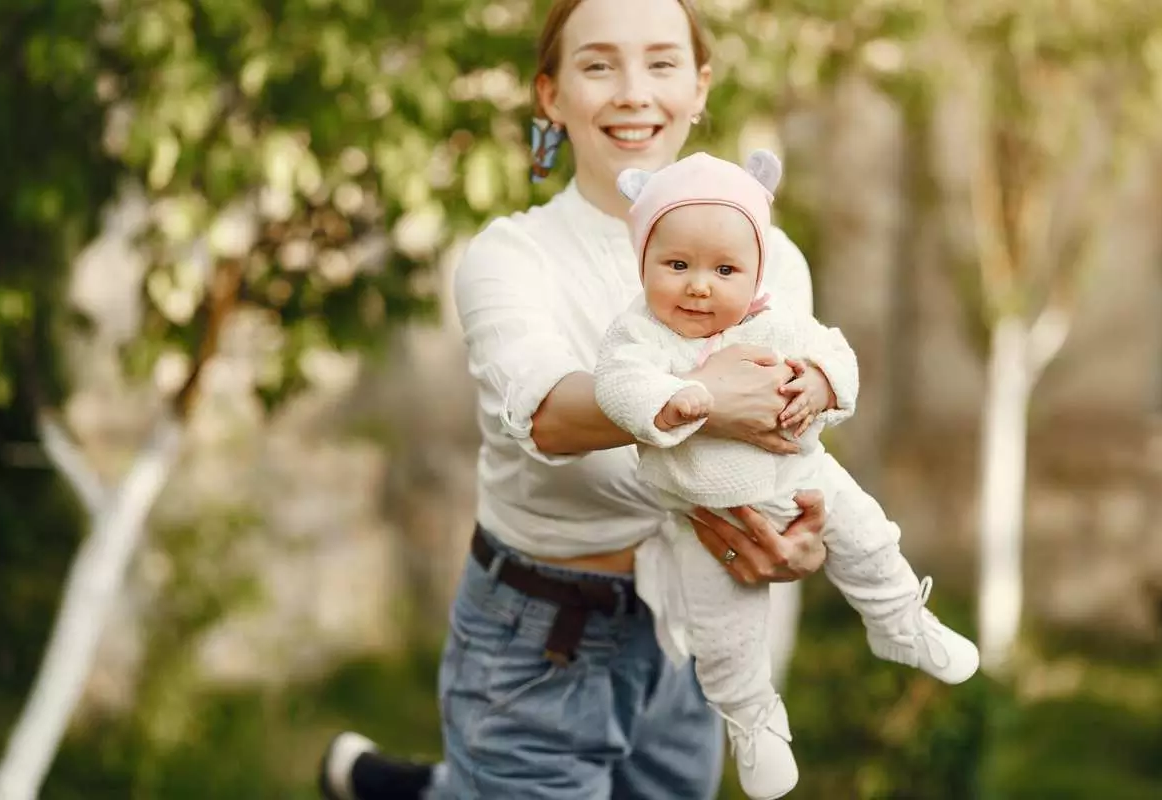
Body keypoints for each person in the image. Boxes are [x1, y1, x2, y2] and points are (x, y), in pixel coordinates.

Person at [319, 1, 829, 797]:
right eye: (598, 65)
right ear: (551, 96)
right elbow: (550, 418)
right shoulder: (510, 257)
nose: (633, 92)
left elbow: (789, 447)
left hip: (689, 638)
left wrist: (795, 542)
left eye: (661, 64)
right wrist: (699, 398)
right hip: (540, 645)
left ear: (699, 88)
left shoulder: (773, 259)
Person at [594, 150, 979, 799]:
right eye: (677, 265)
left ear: (755, 271)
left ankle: (898, 623)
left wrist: (825, 383)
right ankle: (753, 722)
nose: (699, 286)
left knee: (872, 539)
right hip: (702, 516)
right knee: (725, 636)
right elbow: (617, 387)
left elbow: (837, 352)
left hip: (805, 478)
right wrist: (682, 397)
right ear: (644, 265)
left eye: (724, 269)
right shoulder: (641, 334)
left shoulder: (776, 319)